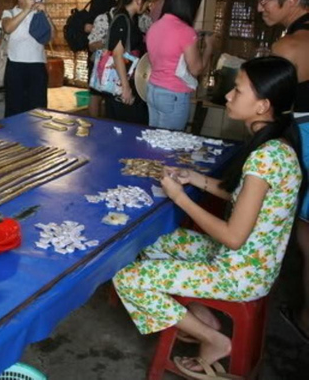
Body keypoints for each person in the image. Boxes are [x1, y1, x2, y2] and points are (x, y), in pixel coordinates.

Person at [113, 56, 301, 376]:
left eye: (237, 91)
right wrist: (192, 177)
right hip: (249, 261)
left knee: (127, 279)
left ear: (262, 105)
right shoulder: (277, 144)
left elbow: (232, 235)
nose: (228, 95)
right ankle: (203, 316)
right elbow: (243, 199)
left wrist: (179, 197)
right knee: (157, 239)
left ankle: (213, 339)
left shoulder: (265, 158)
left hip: (240, 272)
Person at [253, 0, 309, 342]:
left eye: (265, 1)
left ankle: (306, 320)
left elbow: (266, 106)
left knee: (306, 235)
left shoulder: (289, 46)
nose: (260, 8)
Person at [146, 0, 216, 130]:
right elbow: (196, 69)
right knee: (170, 144)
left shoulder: (155, 26)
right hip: (173, 95)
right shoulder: (185, 31)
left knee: (154, 140)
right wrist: (209, 47)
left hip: (153, 89)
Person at [1, 0, 50, 116]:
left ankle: (36, 136)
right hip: (16, 67)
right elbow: (8, 28)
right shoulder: (9, 13)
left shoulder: (39, 14)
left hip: (37, 67)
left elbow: (51, 36)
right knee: (14, 108)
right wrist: (27, 10)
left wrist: (45, 14)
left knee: (38, 110)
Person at [104, 0, 151, 124]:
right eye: (147, 1)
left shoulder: (130, 19)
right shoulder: (122, 20)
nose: (148, 5)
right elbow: (118, 55)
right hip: (121, 84)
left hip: (126, 81)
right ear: (138, 0)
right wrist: (126, 88)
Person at [86, 0, 126, 118]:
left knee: (107, 92)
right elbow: (89, 27)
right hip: (99, 53)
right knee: (96, 92)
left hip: (111, 53)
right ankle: (94, 126)